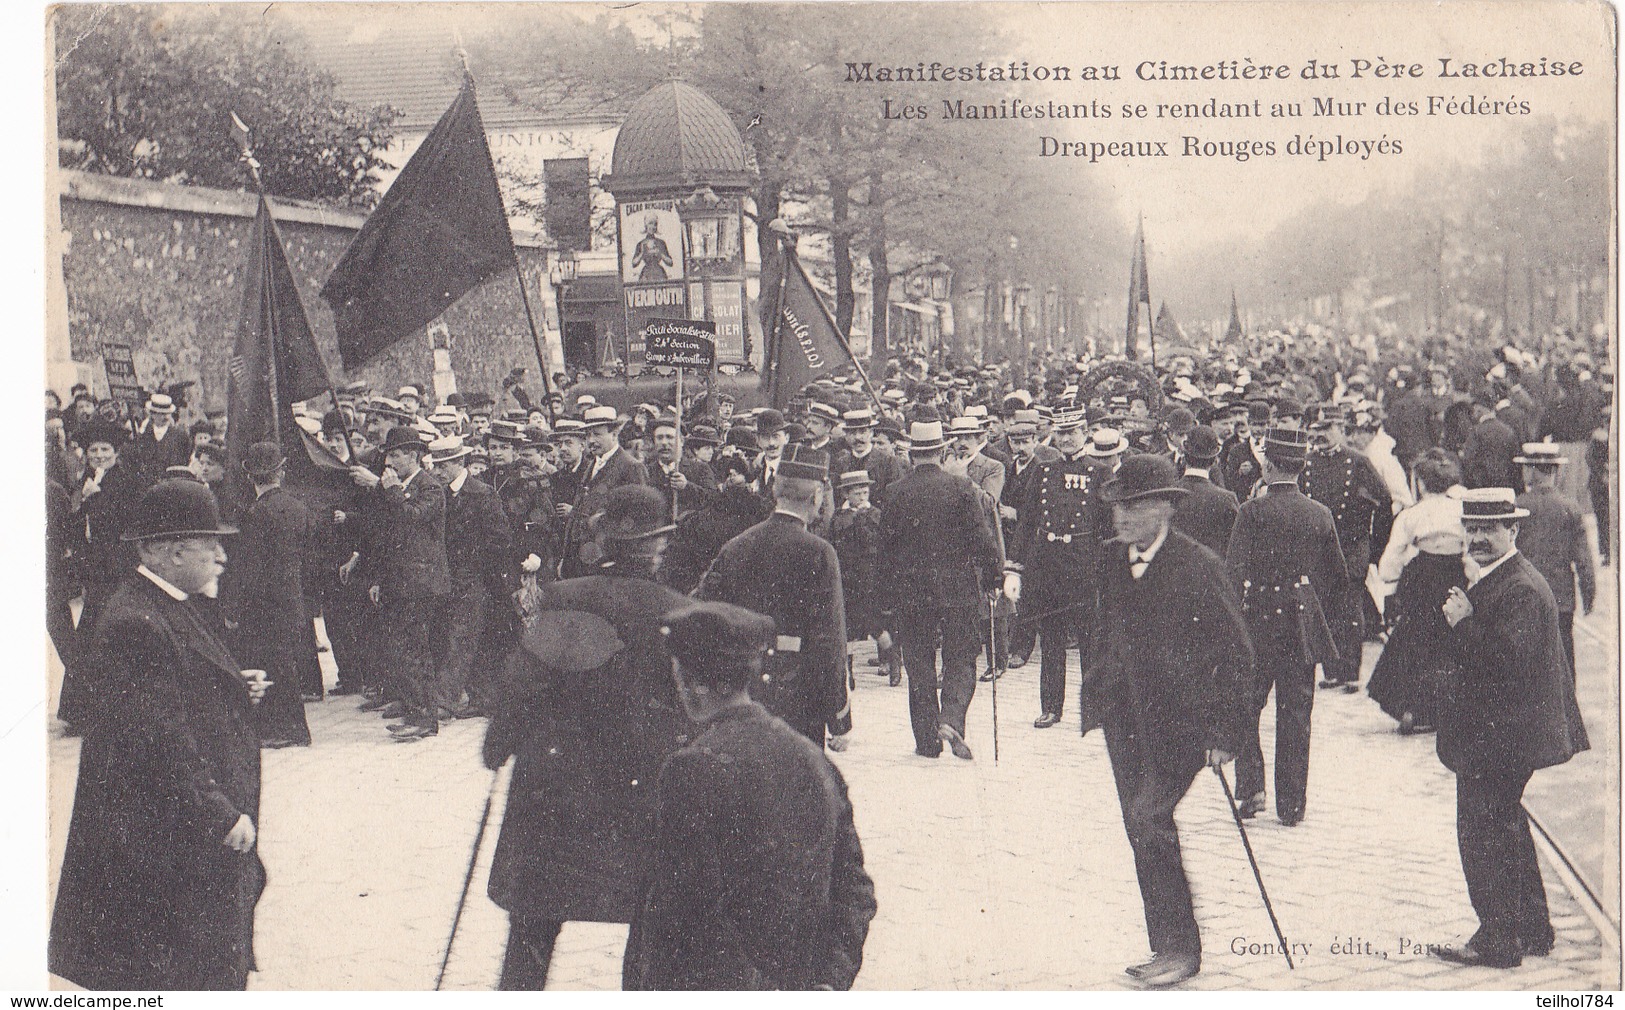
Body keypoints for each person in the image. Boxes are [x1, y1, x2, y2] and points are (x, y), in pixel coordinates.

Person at [50, 479, 267, 990]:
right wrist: (221, 811)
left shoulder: (168, 601)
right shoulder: (137, 622)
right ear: (171, 552)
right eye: (211, 545)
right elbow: (155, 738)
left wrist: (233, 686)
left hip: (179, 833)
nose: (222, 558)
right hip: (171, 838)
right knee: (180, 970)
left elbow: (177, 692)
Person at [481, 485, 692, 990]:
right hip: (641, 787)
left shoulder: (565, 598)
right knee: (647, 917)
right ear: (657, 548)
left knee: (534, 918)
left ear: (602, 543)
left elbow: (522, 684)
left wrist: (497, 745)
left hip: (554, 786)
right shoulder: (680, 611)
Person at [623, 600, 878, 990]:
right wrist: (828, 983)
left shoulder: (690, 769)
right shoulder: (811, 757)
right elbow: (855, 889)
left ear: (692, 684)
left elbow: (678, 915)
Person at [1093, 455, 1254, 988]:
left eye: (1135, 506)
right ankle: (1164, 945)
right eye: (1118, 505)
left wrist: (1227, 735)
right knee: (1141, 830)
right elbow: (1103, 630)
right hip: (1125, 722)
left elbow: (1237, 653)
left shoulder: (1199, 564)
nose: (1123, 516)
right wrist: (1098, 694)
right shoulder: (1110, 560)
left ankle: (1183, 951)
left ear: (1164, 507)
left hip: (1182, 724)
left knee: (1148, 819)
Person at [1434, 488, 1587, 970]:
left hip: (1502, 737)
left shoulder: (1518, 586)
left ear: (1513, 530)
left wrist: (1462, 624)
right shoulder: (1503, 577)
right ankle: (1532, 928)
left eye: (1489, 529)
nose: (1477, 538)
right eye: (1472, 528)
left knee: (1482, 830)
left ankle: (1497, 940)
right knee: (1507, 824)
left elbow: (1506, 668)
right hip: (1503, 734)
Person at [1226, 427, 1345, 826]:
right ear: (1301, 467)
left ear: (1269, 466)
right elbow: (1337, 578)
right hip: (1300, 624)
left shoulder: (1251, 512)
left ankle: (1252, 788)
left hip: (1257, 621)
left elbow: (1233, 572)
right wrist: (1313, 607)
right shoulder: (1321, 514)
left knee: (1245, 706)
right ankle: (1292, 805)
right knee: (1296, 715)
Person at [696, 446, 851, 750]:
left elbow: (705, 609)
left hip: (742, 691)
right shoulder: (820, 552)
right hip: (799, 697)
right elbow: (829, 640)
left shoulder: (737, 545)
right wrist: (838, 717)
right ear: (816, 496)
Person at [878, 422, 1005, 759]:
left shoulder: (894, 491)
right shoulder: (962, 487)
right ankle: (952, 719)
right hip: (957, 588)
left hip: (911, 591)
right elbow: (983, 540)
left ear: (911, 453)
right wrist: (993, 579)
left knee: (918, 661)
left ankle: (926, 741)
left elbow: (885, 551)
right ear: (942, 451)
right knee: (962, 656)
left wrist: (886, 597)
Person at [1008, 414, 1116, 729]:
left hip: (1084, 566)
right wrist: (1014, 567)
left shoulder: (1100, 472)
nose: (1067, 439)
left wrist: (1107, 571)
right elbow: (1027, 522)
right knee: (1052, 640)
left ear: (1086, 433)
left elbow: (1108, 526)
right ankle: (1051, 707)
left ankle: (1094, 708)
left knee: (1089, 642)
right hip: (1048, 567)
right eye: (1062, 433)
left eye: (1073, 432)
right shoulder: (1043, 471)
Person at [351, 426, 451, 740]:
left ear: (413, 455)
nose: (389, 462)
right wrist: (379, 578)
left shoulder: (430, 487)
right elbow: (386, 537)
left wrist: (389, 490)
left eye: (395, 455)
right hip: (399, 580)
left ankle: (424, 718)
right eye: (388, 455)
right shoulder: (397, 487)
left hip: (421, 583)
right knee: (401, 649)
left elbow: (410, 519)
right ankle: (413, 712)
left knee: (416, 650)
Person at [220, 443, 316, 748]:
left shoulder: (256, 514)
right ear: (281, 473)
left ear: (250, 476)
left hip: (263, 603)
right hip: (291, 596)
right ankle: (290, 728)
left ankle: (288, 730)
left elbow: (248, 566)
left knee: (273, 664)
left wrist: (233, 607)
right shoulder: (298, 507)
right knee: (284, 662)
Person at [1367, 450, 1467, 733]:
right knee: (1451, 641)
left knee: (1416, 640)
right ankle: (1448, 707)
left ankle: (1412, 706)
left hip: (1423, 577)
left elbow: (1392, 558)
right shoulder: (1462, 509)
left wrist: (1390, 577)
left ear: (1421, 482)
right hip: (1455, 576)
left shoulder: (1413, 514)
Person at [58, 420, 144, 728]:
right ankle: (83, 710)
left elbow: (123, 519)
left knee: (106, 629)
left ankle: (110, 709)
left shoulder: (124, 480)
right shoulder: (87, 478)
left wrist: (93, 498)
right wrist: (83, 501)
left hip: (116, 567)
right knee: (92, 631)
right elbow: (78, 524)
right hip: (96, 568)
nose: (98, 454)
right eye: (93, 450)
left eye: (104, 449)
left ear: (116, 452)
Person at [1301, 404, 1392, 691]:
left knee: (1350, 608)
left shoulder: (1358, 462)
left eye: (1328, 429)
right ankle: (1332, 670)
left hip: (1352, 544)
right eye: (1318, 431)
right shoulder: (1308, 462)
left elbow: (1385, 502)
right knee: (1325, 607)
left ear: (1341, 430)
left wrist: (1375, 545)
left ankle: (1351, 671)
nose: (1323, 436)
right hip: (1320, 546)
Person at [431, 435, 516, 717]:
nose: (438, 471)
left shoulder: (481, 494)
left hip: (474, 581)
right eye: (436, 465)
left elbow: (501, 539)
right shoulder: (444, 493)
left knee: (461, 639)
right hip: (449, 579)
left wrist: (478, 570)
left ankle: (444, 701)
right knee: (463, 639)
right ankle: (481, 699)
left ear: (458, 462)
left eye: (443, 465)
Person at [1514, 442, 1596, 676]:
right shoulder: (1570, 507)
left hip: (1525, 595)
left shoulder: (1518, 507)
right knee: (1564, 661)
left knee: (1527, 662)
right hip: (1561, 596)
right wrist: (1588, 593)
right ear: (1555, 471)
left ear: (1530, 470)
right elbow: (1583, 559)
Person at [561, 405, 647, 578]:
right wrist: (566, 559)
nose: (591, 440)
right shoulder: (593, 464)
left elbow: (638, 520)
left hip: (608, 564)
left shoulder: (631, 467)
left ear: (614, 434)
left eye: (597, 434)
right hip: (582, 562)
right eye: (588, 435)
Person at [829, 470, 889, 684]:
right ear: (847, 495)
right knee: (850, 625)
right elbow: (833, 542)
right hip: (847, 577)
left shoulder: (875, 514)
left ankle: (891, 658)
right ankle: (849, 669)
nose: (863, 497)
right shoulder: (838, 516)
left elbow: (879, 543)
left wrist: (862, 518)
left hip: (870, 575)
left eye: (865, 492)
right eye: (858, 494)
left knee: (876, 620)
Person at [1171, 425, 1239, 557]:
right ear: (1214, 459)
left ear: (1184, 454)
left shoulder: (1169, 495)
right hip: (1212, 574)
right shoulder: (1226, 499)